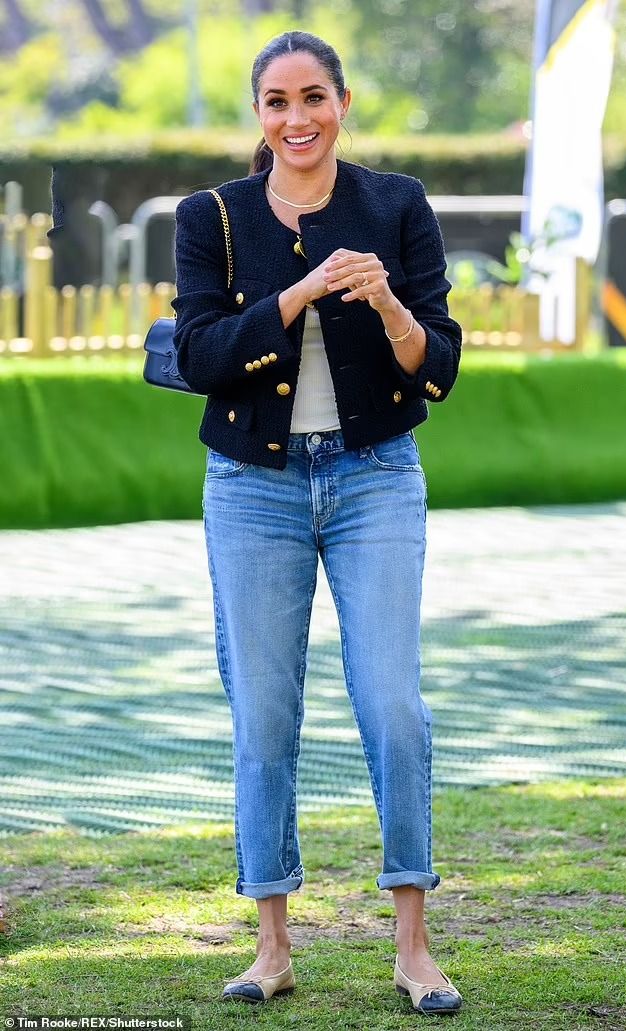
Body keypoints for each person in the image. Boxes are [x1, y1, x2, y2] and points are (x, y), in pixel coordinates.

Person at [172, 30, 463, 1016]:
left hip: (377, 475)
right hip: (252, 486)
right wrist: (296, 293)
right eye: (275, 102)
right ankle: (270, 943)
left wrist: (382, 297)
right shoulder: (208, 215)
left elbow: (436, 366)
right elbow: (205, 355)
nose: (295, 118)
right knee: (264, 714)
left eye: (312, 97)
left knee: (394, 707)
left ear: (343, 101)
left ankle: (414, 945)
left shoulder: (398, 205)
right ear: (258, 114)